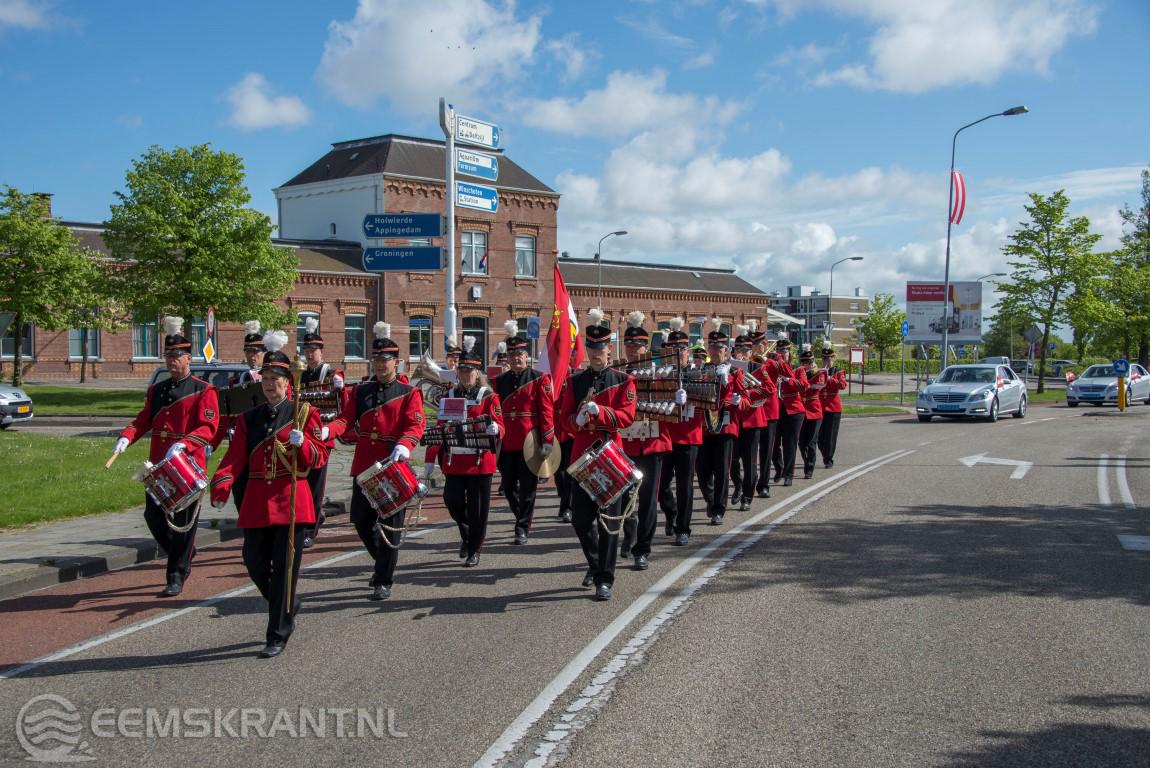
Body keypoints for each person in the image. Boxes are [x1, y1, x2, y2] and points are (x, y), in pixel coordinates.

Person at [208, 331, 327, 658]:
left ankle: (277, 633)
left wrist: (304, 445)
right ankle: (286, 603)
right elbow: (235, 457)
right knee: (254, 562)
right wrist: (221, 483)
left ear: (288, 382)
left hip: (292, 501)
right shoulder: (250, 418)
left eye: (276, 379)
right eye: (266, 378)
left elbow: (319, 458)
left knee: (285, 572)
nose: (270, 384)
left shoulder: (304, 413)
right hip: (259, 501)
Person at [111, 317, 219, 597]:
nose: (171, 361)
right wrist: (126, 436)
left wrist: (184, 444)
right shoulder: (156, 390)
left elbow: (208, 427)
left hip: (187, 465)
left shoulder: (203, 390)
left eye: (176, 356)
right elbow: (143, 420)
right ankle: (183, 554)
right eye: (168, 356)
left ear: (188, 358)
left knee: (183, 522)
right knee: (153, 516)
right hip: (159, 467)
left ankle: (176, 575)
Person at [326, 322, 424, 600]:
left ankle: (383, 579)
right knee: (360, 519)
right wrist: (327, 431)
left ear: (396, 361)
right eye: (377, 360)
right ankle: (383, 560)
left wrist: (405, 445)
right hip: (365, 466)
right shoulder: (360, 391)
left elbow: (415, 425)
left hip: (393, 466)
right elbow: (345, 420)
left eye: (385, 360)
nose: (380, 364)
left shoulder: (409, 392)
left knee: (391, 527)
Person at [558, 309, 637, 601]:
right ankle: (594, 564)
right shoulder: (575, 381)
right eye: (591, 348)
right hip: (582, 458)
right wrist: (575, 421)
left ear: (609, 349)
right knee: (580, 520)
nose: (595, 353)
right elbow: (564, 420)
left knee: (609, 522)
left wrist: (600, 411)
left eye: (600, 347)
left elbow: (627, 417)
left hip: (610, 457)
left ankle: (605, 578)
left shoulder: (623, 380)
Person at [425, 337, 504, 566]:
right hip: (454, 461)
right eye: (461, 370)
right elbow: (440, 428)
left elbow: (501, 425)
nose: (465, 374)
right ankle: (467, 534)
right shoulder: (449, 396)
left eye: (469, 371)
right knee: (453, 502)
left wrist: (496, 428)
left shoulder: (489, 397)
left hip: (480, 462)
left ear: (477, 373)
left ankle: (474, 549)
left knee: (478, 509)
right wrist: (430, 459)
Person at [618, 312, 675, 570]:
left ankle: (642, 549)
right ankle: (629, 534)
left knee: (648, 500)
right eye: (629, 345)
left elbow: (672, 406)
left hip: (652, 442)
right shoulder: (617, 373)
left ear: (646, 347)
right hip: (625, 444)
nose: (633, 349)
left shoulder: (660, 372)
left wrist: (678, 398)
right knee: (624, 497)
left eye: (638, 345)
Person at [494, 321, 555, 545]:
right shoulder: (498, 382)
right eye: (512, 355)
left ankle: (522, 527)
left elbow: (546, 412)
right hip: (507, 442)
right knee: (509, 487)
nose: (516, 358)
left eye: (519, 354)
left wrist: (547, 440)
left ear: (527, 356)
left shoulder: (539, 378)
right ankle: (522, 516)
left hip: (530, 441)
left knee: (528, 488)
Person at [298, 317, 345, 549]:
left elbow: (342, 405)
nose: (309, 354)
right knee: (303, 483)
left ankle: (310, 529)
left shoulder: (331, 373)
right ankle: (307, 519)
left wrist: (340, 388)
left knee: (316, 485)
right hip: (301, 436)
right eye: (306, 350)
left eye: (313, 350)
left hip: (322, 436)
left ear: (321, 351)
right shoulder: (301, 374)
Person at [209, 320, 265, 510]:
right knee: (240, 492)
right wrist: (211, 445)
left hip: (264, 445)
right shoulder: (235, 382)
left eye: (256, 352)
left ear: (264, 353)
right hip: (240, 445)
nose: (252, 356)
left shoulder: (274, 380)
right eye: (249, 352)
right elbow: (225, 417)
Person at [695, 326, 748, 526]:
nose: (715, 351)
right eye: (712, 347)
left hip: (726, 426)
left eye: (719, 348)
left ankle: (718, 509)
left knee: (722, 471)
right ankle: (710, 500)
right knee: (702, 471)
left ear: (726, 350)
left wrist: (738, 402)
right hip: (705, 426)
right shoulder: (702, 370)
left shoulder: (735, 371)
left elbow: (747, 400)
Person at [658, 319, 704, 546]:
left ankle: (683, 528)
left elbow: (709, 403)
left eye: (681, 349)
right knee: (660, 485)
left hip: (688, 435)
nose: (677, 353)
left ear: (688, 351)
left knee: (685, 486)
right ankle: (671, 512)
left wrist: (691, 397)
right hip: (665, 434)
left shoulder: (698, 374)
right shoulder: (661, 375)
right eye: (673, 348)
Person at [728, 329, 774, 511]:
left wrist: (747, 393)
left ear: (750, 351)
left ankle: (747, 496)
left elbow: (769, 389)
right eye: (738, 350)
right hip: (734, 419)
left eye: (745, 350)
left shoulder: (758, 368)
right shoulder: (729, 368)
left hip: (753, 419)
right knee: (732, 459)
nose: (742, 353)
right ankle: (738, 484)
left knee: (750, 462)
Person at [750, 323, 783, 499]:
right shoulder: (747, 361)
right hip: (752, 410)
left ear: (765, 344)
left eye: (758, 344)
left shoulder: (771, 362)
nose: (755, 347)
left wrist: (774, 359)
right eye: (753, 344)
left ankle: (763, 485)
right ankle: (749, 482)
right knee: (750, 451)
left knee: (766, 450)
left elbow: (787, 372)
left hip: (769, 410)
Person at [775, 339, 809, 486]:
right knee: (773, 444)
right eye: (779, 351)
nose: (781, 353)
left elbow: (804, 386)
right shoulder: (772, 368)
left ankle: (788, 474)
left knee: (789, 444)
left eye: (784, 351)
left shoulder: (797, 369)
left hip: (793, 410)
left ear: (790, 353)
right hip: (776, 408)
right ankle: (779, 468)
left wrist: (788, 379)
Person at [797, 346, 827, 479]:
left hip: (814, 411)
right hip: (801, 411)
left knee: (811, 442)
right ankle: (806, 461)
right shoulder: (799, 373)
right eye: (804, 362)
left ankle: (809, 468)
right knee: (801, 442)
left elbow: (818, 386)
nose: (807, 365)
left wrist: (804, 384)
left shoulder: (819, 373)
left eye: (809, 362)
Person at [817, 347, 849, 469]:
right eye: (824, 358)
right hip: (820, 407)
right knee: (819, 437)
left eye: (828, 358)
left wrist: (830, 379)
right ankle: (825, 453)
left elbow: (842, 385)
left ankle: (828, 459)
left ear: (833, 358)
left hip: (833, 407)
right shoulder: (818, 371)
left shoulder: (838, 371)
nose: (826, 361)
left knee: (830, 436)